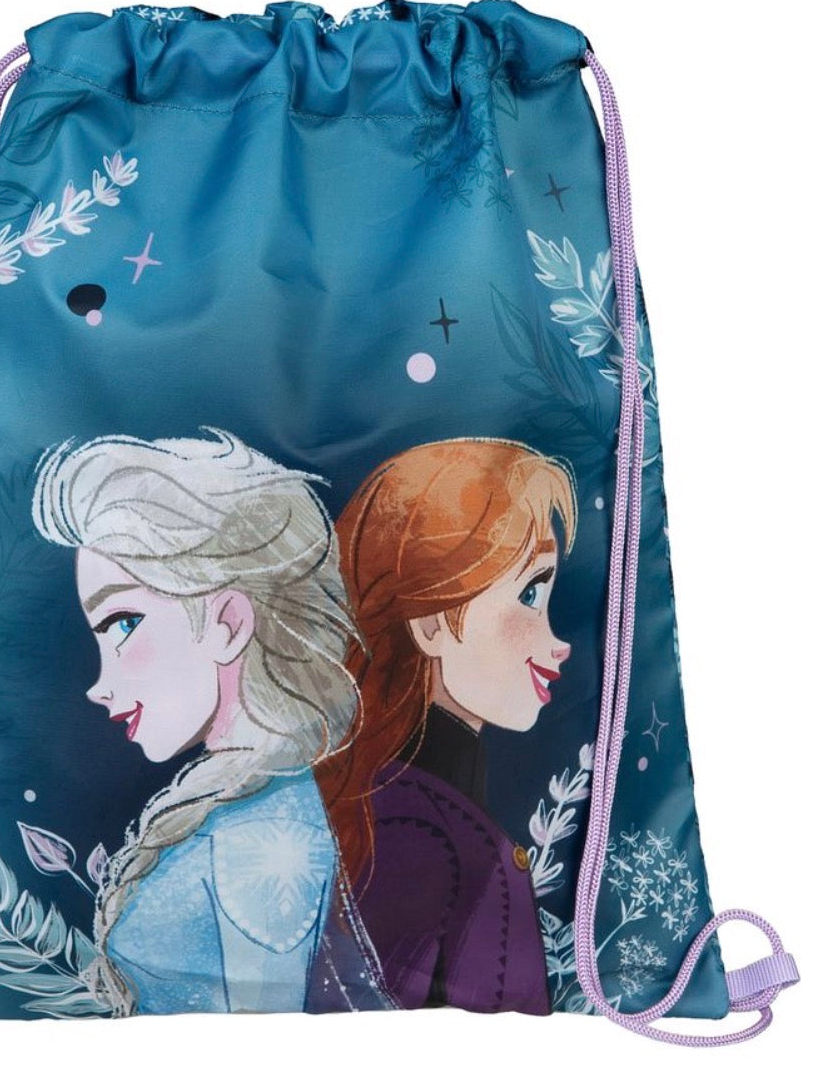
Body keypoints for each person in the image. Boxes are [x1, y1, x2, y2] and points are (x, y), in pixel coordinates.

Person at [31, 427, 390, 1016]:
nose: (99, 685)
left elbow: (261, 1028)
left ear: (228, 622)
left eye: (122, 624)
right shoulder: (261, 806)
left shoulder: (262, 836)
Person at [315, 437, 578, 1015]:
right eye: (530, 593)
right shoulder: (428, 839)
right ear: (431, 624)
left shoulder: (384, 810)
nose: (558, 643)